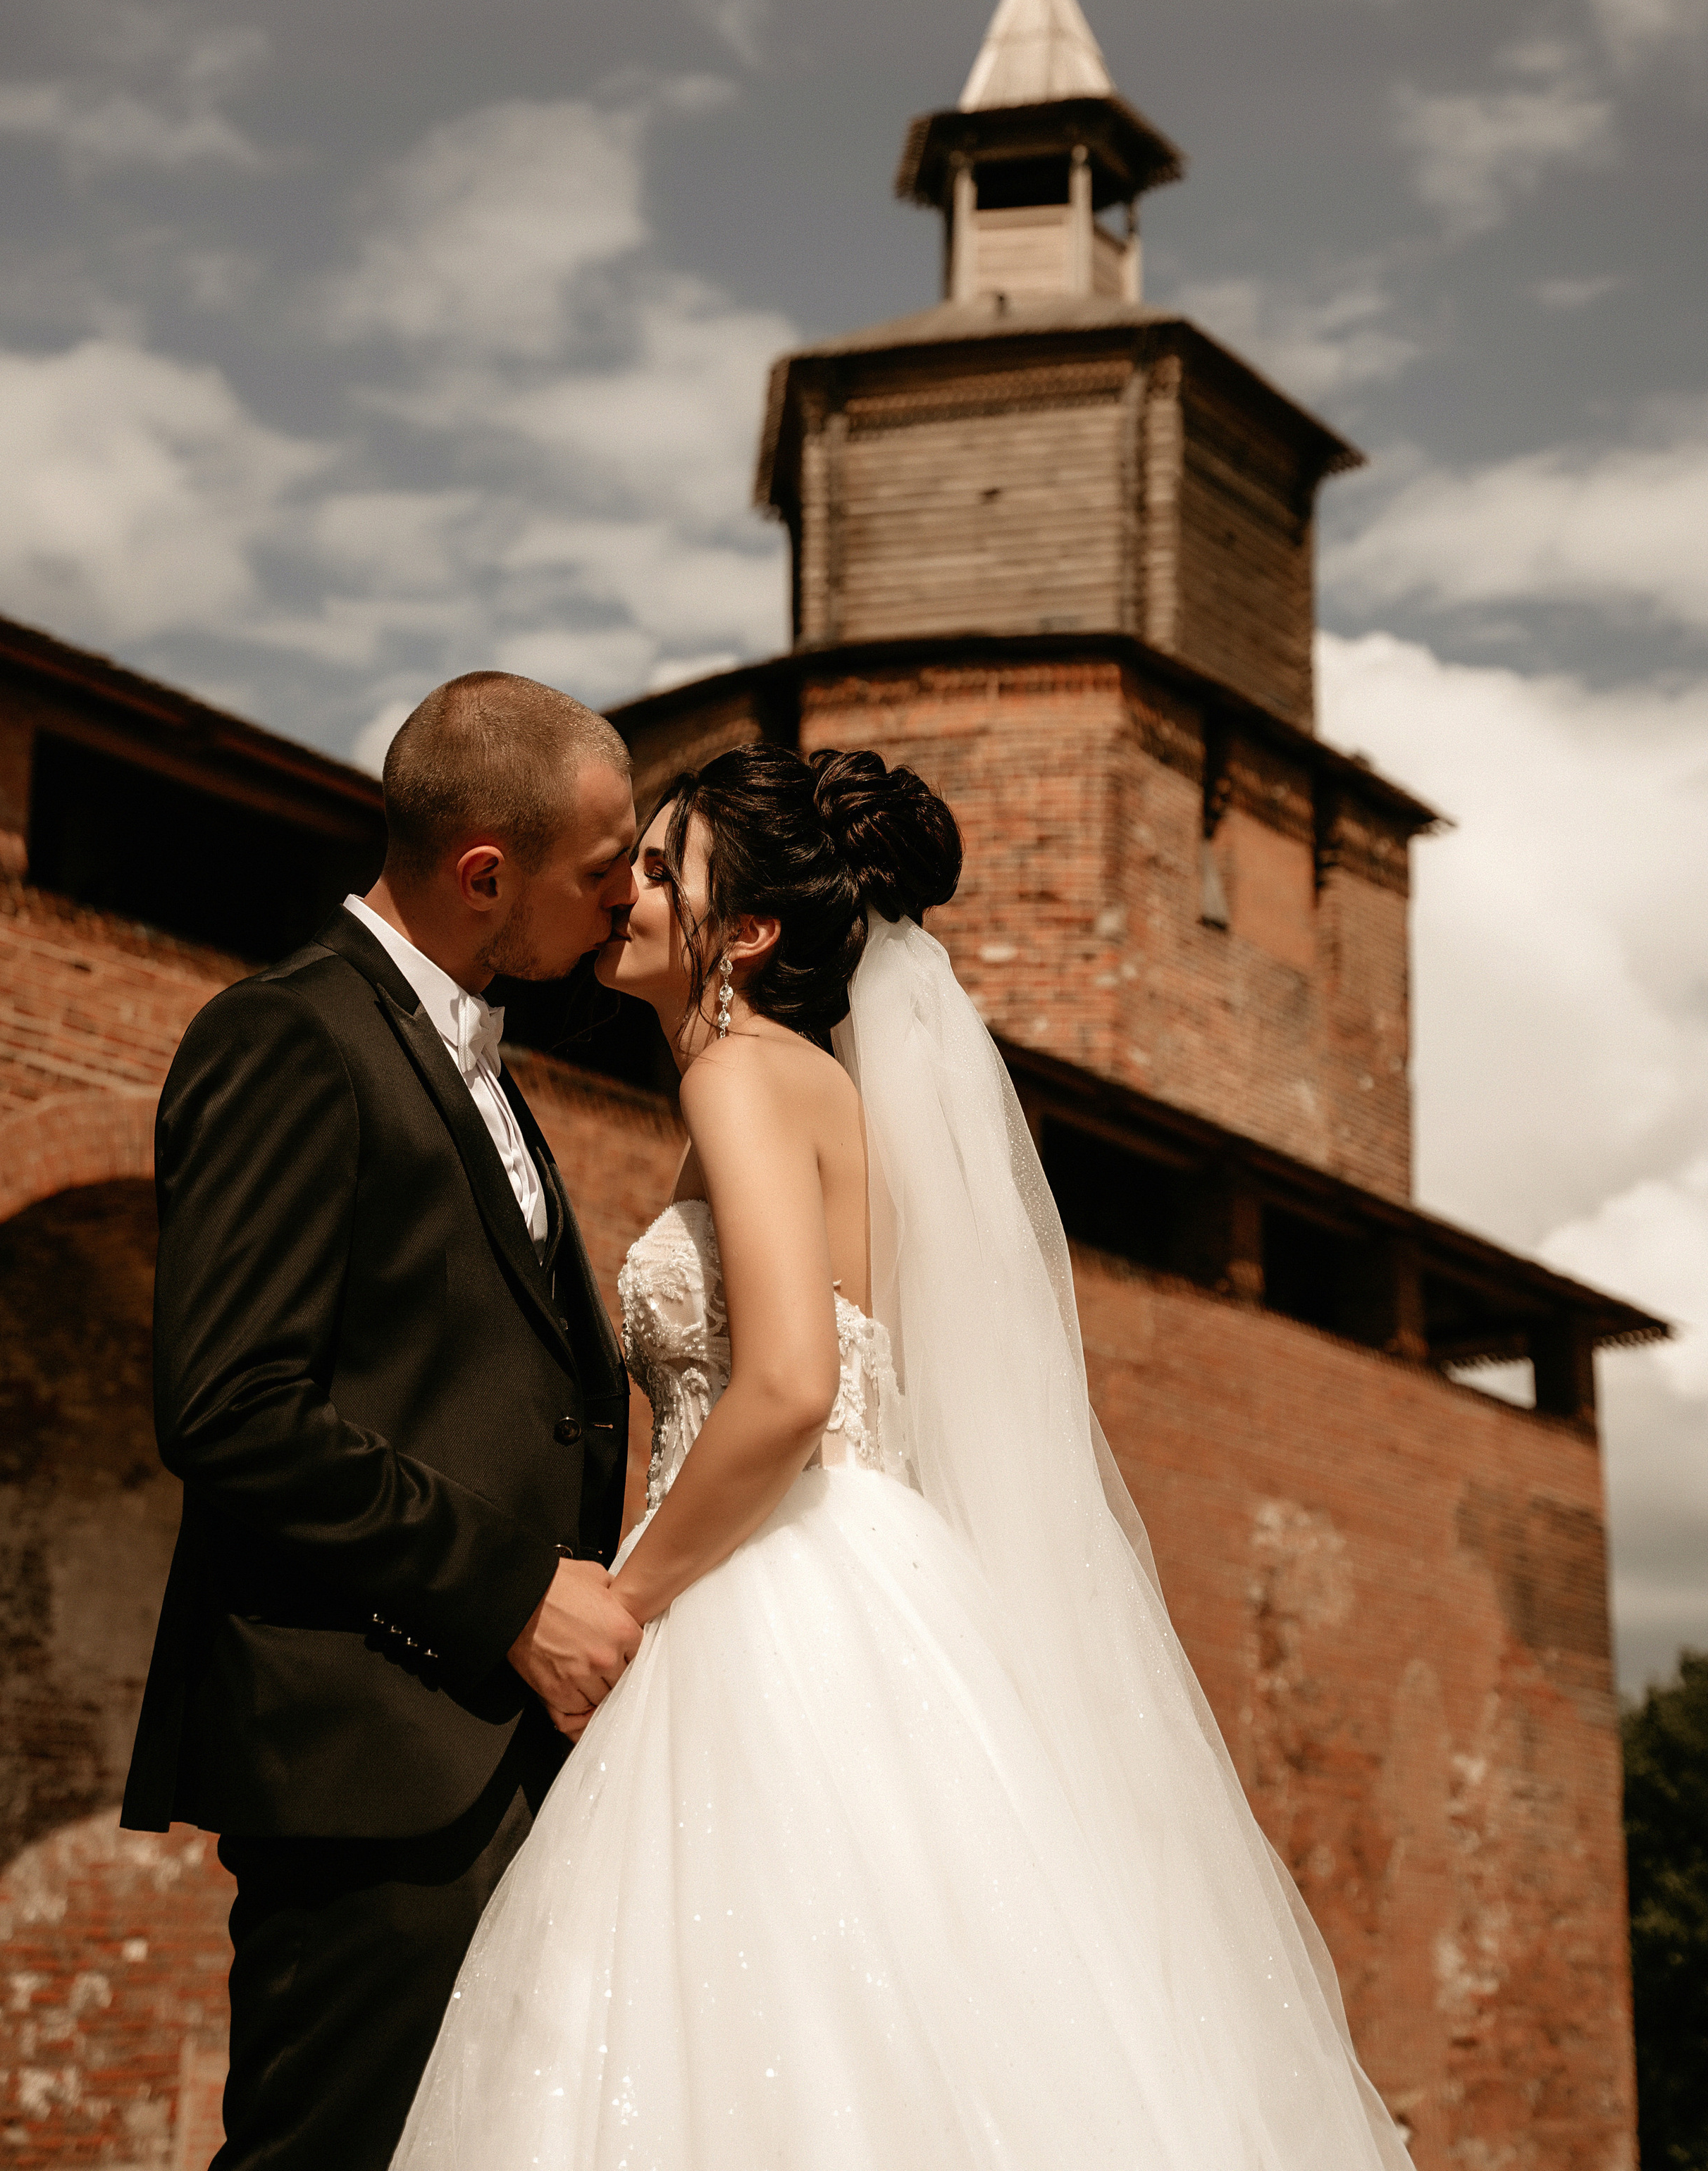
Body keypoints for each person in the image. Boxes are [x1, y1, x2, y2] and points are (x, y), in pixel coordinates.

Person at [393, 743, 1412, 2170]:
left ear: (745, 933)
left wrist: (627, 1598)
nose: (622, 887)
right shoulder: (799, 1083)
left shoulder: (742, 1072)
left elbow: (790, 1389)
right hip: (849, 1575)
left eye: (660, 867)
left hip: (768, 1587)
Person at [120, 672, 647, 2171]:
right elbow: (230, 1408)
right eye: (600, 868)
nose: (623, 899)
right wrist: (511, 1591)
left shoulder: (483, 1059)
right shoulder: (287, 1037)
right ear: (486, 872)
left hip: (500, 1745)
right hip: (372, 1761)